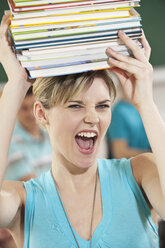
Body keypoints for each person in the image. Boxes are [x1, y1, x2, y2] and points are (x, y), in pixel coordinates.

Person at [0, 14, 165, 248]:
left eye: (103, 106)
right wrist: (15, 86)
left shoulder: (139, 174)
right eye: (75, 105)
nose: (92, 117)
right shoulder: (22, 200)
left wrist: (145, 103)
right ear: (41, 114)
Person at [5, 86, 52, 181]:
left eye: (33, 106)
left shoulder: (49, 133)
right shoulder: (8, 141)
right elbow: (31, 184)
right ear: (16, 110)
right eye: (24, 108)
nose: (31, 113)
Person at [106, 87, 151, 159]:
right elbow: (120, 153)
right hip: (128, 167)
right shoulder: (118, 113)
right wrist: (154, 154)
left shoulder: (142, 110)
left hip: (145, 164)